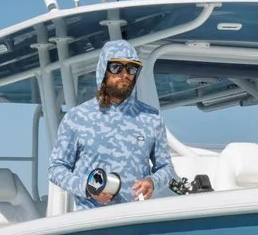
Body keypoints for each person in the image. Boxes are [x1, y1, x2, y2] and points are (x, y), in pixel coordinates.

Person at [49, 39, 173, 209]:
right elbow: (56, 169)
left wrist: (152, 182)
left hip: (138, 217)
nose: (124, 74)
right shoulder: (76, 117)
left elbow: (166, 168)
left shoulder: (151, 118)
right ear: (103, 70)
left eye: (131, 68)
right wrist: (87, 188)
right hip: (92, 221)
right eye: (116, 68)